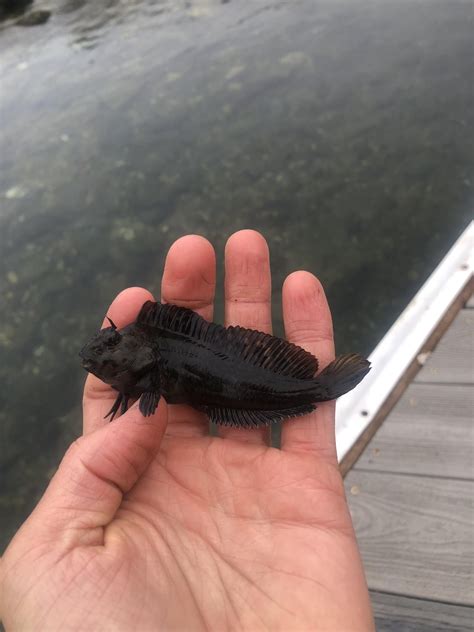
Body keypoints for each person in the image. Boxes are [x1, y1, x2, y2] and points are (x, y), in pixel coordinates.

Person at [0, 230, 375, 630]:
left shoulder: (145, 357)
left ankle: (320, 387)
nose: (101, 355)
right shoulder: (143, 346)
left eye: (110, 349)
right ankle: (318, 388)